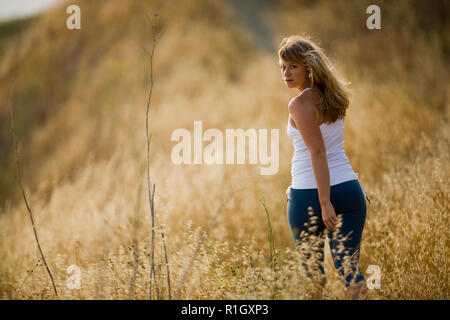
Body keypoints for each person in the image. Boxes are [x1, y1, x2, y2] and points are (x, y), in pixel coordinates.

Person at [279, 35, 369, 299]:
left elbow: (317, 152)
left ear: (308, 67)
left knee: (313, 279)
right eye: (283, 67)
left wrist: (325, 201)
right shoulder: (333, 96)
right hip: (351, 191)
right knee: (350, 271)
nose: (286, 73)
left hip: (312, 196)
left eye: (293, 66)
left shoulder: (298, 104)